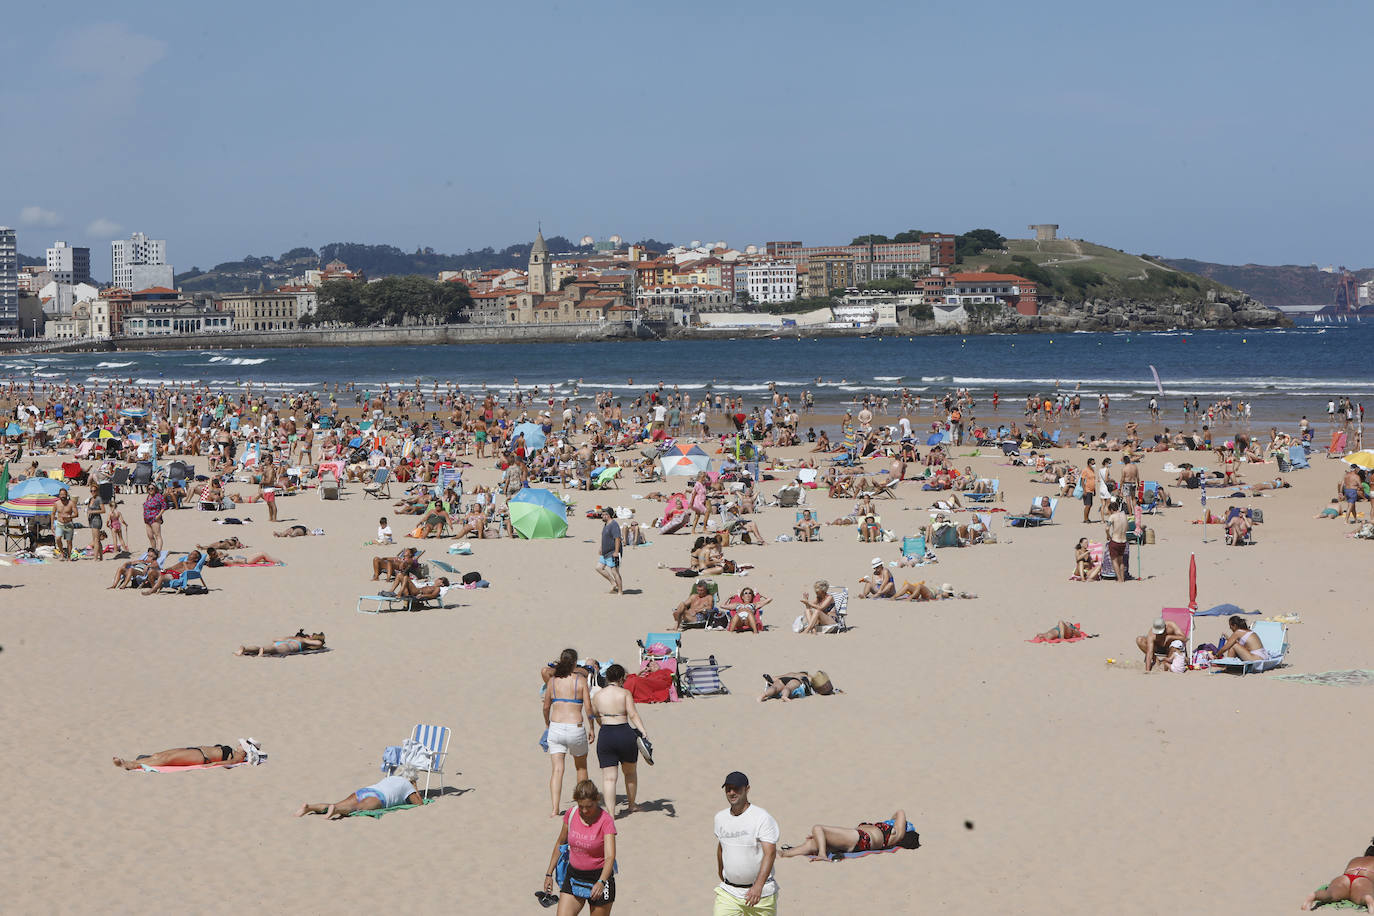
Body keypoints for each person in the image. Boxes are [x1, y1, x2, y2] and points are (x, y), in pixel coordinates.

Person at [541, 779, 617, 913]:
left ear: (597, 800)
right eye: (581, 806)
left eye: (589, 806)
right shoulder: (571, 814)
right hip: (573, 876)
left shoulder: (606, 821)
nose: (585, 810)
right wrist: (549, 873)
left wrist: (601, 882)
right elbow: (560, 843)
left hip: (599, 877)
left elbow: (610, 857)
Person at [714, 772, 779, 915]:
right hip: (729, 892)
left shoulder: (761, 817)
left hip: (761, 893)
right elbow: (721, 847)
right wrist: (722, 874)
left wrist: (758, 886)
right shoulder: (720, 818)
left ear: (747, 789)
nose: (731, 792)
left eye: (736, 788)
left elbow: (770, 853)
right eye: (728, 789)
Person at [590, 664, 650, 816]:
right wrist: (643, 731)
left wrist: (601, 724)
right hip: (624, 732)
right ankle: (631, 805)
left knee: (609, 778)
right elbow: (633, 714)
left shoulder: (597, 695)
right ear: (621, 678)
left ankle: (610, 813)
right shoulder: (624, 693)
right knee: (630, 773)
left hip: (606, 735)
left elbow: (595, 714)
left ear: (607, 677)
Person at [545, 648, 595, 818]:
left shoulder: (553, 681)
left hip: (556, 726)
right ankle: (583, 805)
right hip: (575, 726)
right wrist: (592, 727)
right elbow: (588, 707)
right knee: (581, 766)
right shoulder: (580, 680)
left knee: (557, 769)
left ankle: (555, 809)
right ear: (575, 663)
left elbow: (546, 706)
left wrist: (547, 724)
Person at [778, 808, 919, 859]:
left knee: (818, 828)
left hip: (860, 838)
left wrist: (893, 822)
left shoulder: (897, 834)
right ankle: (784, 854)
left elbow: (900, 812)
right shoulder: (890, 835)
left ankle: (822, 854)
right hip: (857, 841)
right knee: (811, 843)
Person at [295, 774, 423, 819]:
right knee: (355, 808)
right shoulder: (408, 785)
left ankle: (309, 807)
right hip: (380, 798)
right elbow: (419, 804)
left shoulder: (392, 777)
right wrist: (415, 787)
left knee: (337, 803)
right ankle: (336, 810)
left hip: (367, 790)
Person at [1302, 837, 1374, 911]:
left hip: (1344, 878)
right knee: (1362, 896)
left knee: (1330, 894)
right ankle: (1367, 898)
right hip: (1363, 880)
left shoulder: (1355, 859)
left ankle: (1314, 896)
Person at [114, 737, 263, 770]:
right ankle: (134, 762)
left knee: (165, 759)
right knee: (158, 755)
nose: (239, 745)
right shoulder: (236, 753)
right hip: (196, 751)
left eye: (242, 745)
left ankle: (130, 765)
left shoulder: (238, 757)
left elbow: (228, 763)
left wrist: (212, 764)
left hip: (201, 757)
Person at [758, 670, 836, 702]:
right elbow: (815, 683)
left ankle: (762, 695)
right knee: (788, 688)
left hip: (782, 679)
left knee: (775, 687)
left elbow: (780, 676)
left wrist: (772, 679)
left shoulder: (793, 673)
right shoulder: (805, 676)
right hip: (795, 681)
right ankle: (784, 696)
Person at [596, 507, 623, 595]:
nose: (602, 516)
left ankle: (620, 591)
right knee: (599, 568)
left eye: (603, 514)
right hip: (605, 552)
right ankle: (613, 583)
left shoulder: (614, 525)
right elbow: (605, 537)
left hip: (612, 552)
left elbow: (617, 539)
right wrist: (601, 547)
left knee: (615, 571)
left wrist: (616, 551)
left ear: (608, 515)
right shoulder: (606, 524)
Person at [235, 630, 326, 656]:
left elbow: (275, 639)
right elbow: (318, 643)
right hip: (289, 647)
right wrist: (312, 641)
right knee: (274, 650)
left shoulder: (292, 637)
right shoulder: (303, 640)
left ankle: (245, 649)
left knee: (260, 648)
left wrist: (286, 639)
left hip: (283, 642)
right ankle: (263, 650)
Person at [1104, 499, 1128, 582]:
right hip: (1123, 541)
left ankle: (1119, 579)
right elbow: (1126, 527)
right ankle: (1123, 578)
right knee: (1121, 561)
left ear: (1111, 510)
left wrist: (1108, 535)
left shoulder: (1112, 516)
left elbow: (1107, 528)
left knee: (1114, 560)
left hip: (1115, 540)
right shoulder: (1124, 515)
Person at [52, 487, 78, 560]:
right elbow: (53, 514)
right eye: (61, 494)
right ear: (59, 495)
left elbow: (76, 514)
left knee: (69, 541)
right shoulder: (56, 503)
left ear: (66, 495)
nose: (62, 496)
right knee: (57, 538)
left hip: (68, 524)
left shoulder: (71, 503)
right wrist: (52, 525)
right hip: (60, 524)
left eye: (64, 494)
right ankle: (62, 554)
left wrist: (69, 516)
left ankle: (69, 556)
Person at [84, 481, 105, 561]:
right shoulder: (90, 499)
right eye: (91, 491)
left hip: (97, 520)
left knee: (96, 540)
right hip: (91, 520)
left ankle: (95, 557)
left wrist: (92, 512)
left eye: (94, 491)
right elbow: (89, 509)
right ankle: (101, 556)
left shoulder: (99, 499)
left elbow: (103, 510)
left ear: (97, 491)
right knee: (96, 539)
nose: (93, 492)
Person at [142, 484, 166, 552]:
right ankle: (153, 550)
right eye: (149, 489)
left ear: (155, 489)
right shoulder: (148, 496)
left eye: (152, 488)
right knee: (150, 536)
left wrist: (158, 516)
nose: (150, 490)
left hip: (154, 518)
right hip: (147, 519)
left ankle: (158, 551)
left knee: (157, 535)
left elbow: (164, 507)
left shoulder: (159, 496)